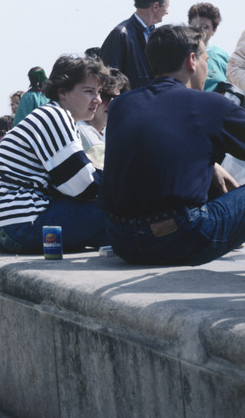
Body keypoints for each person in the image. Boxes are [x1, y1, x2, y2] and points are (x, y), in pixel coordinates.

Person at [101, 24, 245, 266]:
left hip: (122, 240)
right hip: (181, 238)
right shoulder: (210, 105)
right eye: (206, 60)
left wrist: (212, 167)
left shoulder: (121, 105)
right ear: (192, 60)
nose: (207, 69)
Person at [0, 54, 110, 255]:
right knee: (123, 213)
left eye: (99, 92)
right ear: (62, 93)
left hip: (6, 229)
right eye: (89, 91)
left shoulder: (49, 116)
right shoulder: (55, 116)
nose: (98, 99)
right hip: (22, 226)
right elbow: (84, 186)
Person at [99, 0, 170, 90]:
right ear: (156, 7)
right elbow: (109, 80)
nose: (167, 12)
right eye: (167, 6)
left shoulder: (155, 35)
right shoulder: (120, 34)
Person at [76, 68, 128, 167]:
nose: (111, 102)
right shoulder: (84, 132)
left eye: (117, 98)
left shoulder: (109, 133)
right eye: (105, 96)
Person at [187, 3, 230, 91]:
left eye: (205, 27)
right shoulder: (178, 53)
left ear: (214, 30)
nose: (199, 30)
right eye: (194, 25)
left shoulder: (222, 56)